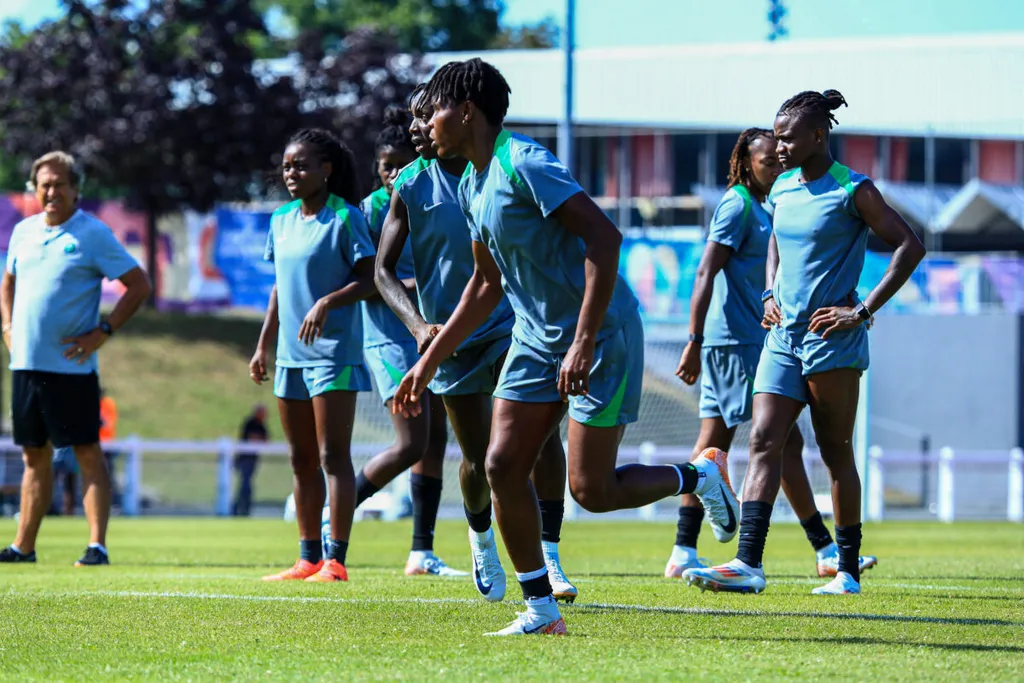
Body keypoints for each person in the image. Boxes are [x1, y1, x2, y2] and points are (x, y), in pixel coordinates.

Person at [393, 59, 739, 635]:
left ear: (467, 112)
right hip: (534, 339)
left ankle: (698, 476)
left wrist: (581, 340)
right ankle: (541, 610)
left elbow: (605, 237)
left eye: (434, 110)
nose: (425, 122)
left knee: (592, 490)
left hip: (600, 334)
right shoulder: (471, 183)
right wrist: (427, 361)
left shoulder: (525, 162)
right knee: (501, 465)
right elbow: (484, 285)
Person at [684, 91, 925, 596]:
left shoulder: (854, 190)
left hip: (831, 342)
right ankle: (748, 563)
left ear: (819, 136)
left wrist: (861, 311)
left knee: (836, 452)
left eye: (789, 137)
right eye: (777, 137)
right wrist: (770, 290)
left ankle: (847, 570)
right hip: (781, 339)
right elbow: (774, 240)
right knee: (763, 440)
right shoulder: (783, 188)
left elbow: (910, 245)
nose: (779, 147)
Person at [376, 85, 577, 601]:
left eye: (428, 115)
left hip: (515, 327)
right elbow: (382, 271)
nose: (420, 126)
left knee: (538, 443)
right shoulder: (410, 184)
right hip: (451, 337)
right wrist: (420, 327)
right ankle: (481, 536)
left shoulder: (491, 170)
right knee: (474, 458)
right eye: (414, 118)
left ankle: (549, 558)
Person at [665, 129, 877, 581]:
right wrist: (694, 338)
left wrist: (857, 305)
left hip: (759, 340)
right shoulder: (738, 204)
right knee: (771, 442)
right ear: (746, 162)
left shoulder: (777, 202)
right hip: (738, 342)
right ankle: (817, 548)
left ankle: (689, 549)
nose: (778, 164)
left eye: (781, 157)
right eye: (768, 159)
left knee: (734, 441)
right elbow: (706, 269)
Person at [0, 150, 151, 566]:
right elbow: (7, 281)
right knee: (34, 455)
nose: (51, 191)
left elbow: (138, 284)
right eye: (44, 183)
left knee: (86, 452)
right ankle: (23, 546)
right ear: (36, 188)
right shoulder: (24, 232)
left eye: (59, 183)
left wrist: (102, 332)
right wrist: (8, 328)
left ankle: (96, 546)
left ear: (76, 189)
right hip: (26, 365)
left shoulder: (93, 234)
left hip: (72, 366)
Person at [250, 128, 377, 583]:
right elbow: (279, 292)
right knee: (300, 459)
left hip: (334, 354)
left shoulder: (345, 218)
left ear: (326, 169)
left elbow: (370, 279)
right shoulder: (281, 219)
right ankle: (306, 559)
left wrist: (327, 302)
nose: (291, 173)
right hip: (289, 357)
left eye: (301, 165)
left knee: (331, 457)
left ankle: (335, 560)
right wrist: (264, 345)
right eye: (287, 166)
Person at [351, 105, 463, 578]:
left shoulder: (432, 191)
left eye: (400, 161)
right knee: (412, 443)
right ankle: (332, 510)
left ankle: (421, 551)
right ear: (376, 170)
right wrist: (418, 288)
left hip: (431, 339)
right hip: (393, 340)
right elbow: (370, 276)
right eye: (385, 166)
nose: (394, 172)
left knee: (433, 443)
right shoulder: (375, 209)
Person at [233, 404, 269, 517]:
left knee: (247, 484)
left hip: (253, 459)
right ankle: (239, 509)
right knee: (245, 484)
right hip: (244, 459)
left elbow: (265, 440)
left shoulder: (261, 425)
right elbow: (250, 438)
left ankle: (244, 508)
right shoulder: (250, 423)